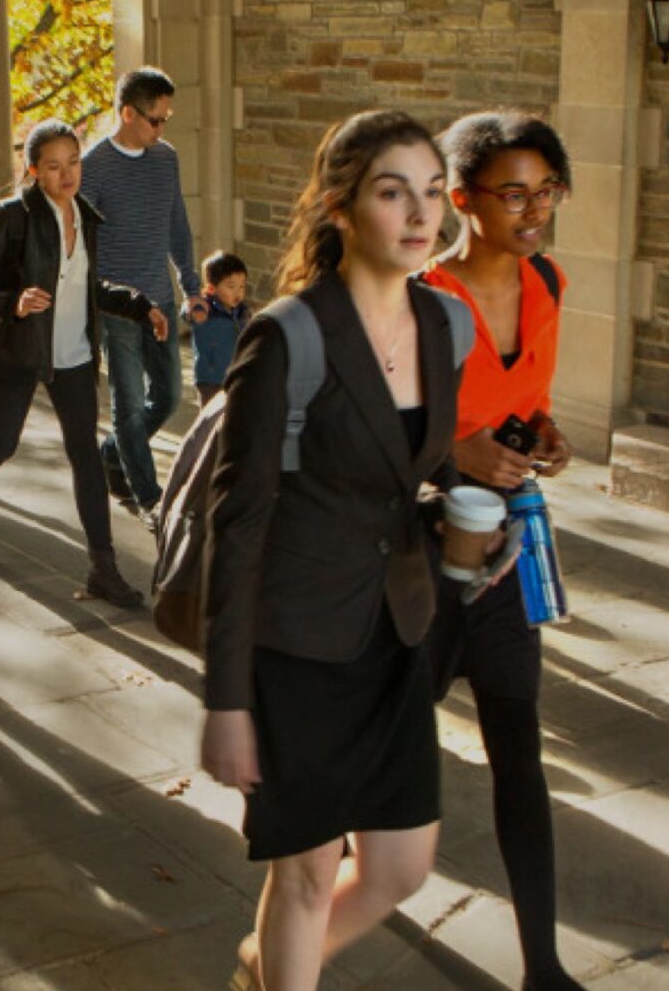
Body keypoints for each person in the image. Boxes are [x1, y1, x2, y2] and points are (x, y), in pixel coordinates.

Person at [201, 109, 467, 990]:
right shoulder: (289, 336)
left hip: (395, 634)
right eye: (394, 193)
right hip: (298, 644)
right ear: (341, 207)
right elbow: (237, 524)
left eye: (431, 192)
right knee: (307, 871)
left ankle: (264, 965)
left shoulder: (444, 326)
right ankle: (282, 971)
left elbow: (400, 472)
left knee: (400, 867)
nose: (419, 212)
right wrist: (227, 700)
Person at [418, 110, 583, 991]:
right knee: (386, 748)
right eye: (512, 192)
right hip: (417, 557)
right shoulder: (423, 298)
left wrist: (546, 435)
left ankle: (544, 967)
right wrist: (453, 448)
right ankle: (302, 925)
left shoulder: (549, 281)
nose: (534, 210)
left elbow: (528, 395)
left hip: (509, 549)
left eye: (545, 190)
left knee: (519, 750)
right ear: (462, 198)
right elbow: (374, 434)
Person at [0, 120, 164, 608]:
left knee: (85, 457)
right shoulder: (12, 216)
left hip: (73, 354)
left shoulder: (85, 217)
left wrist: (138, 304)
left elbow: (86, 286)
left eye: (74, 162)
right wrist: (14, 302)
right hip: (15, 353)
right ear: (34, 171)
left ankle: (103, 569)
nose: (67, 174)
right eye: (54, 165)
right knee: (1, 442)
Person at [80, 66, 206, 517]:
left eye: (166, 119)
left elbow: (177, 226)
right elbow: (81, 246)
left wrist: (191, 287)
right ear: (128, 113)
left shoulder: (166, 158)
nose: (162, 128)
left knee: (169, 397)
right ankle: (149, 497)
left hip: (163, 298)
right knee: (129, 405)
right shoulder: (93, 168)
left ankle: (113, 454)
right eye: (156, 119)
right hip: (118, 310)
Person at [193, 251, 251, 403]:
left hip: (234, 376)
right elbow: (187, 312)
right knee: (209, 420)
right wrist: (194, 310)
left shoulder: (242, 312)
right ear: (212, 289)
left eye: (242, 287)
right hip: (210, 379)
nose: (238, 292)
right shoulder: (204, 308)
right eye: (231, 286)